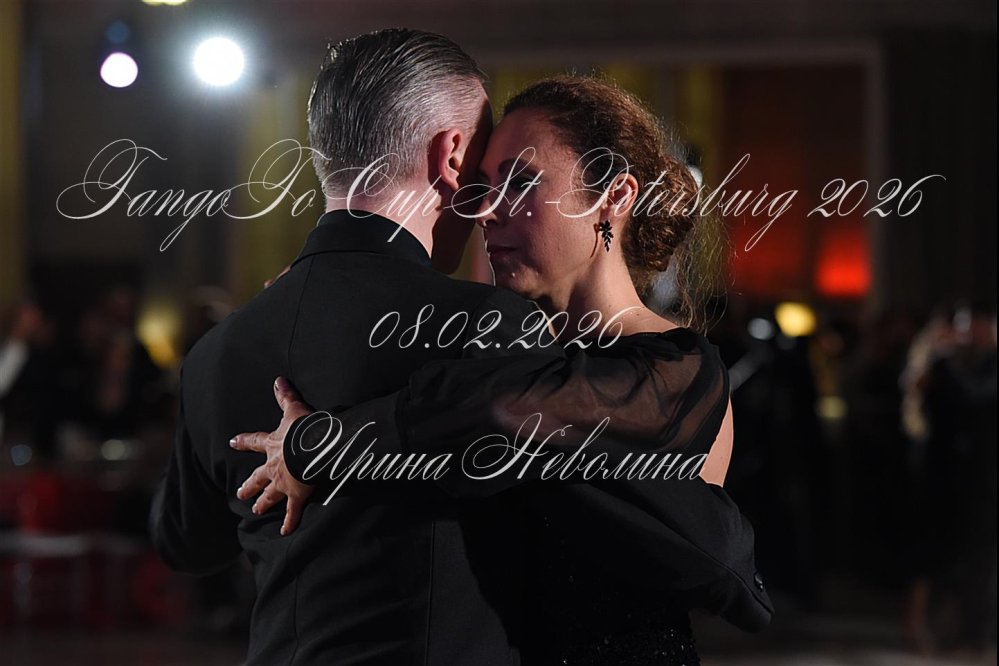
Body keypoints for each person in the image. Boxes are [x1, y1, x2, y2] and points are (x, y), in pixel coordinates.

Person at [228, 73, 771, 664]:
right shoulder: (491, 348)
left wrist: (323, 444)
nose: (486, 211)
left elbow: (498, 410)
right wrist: (313, 298)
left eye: (521, 183)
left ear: (614, 197)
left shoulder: (676, 369)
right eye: (483, 188)